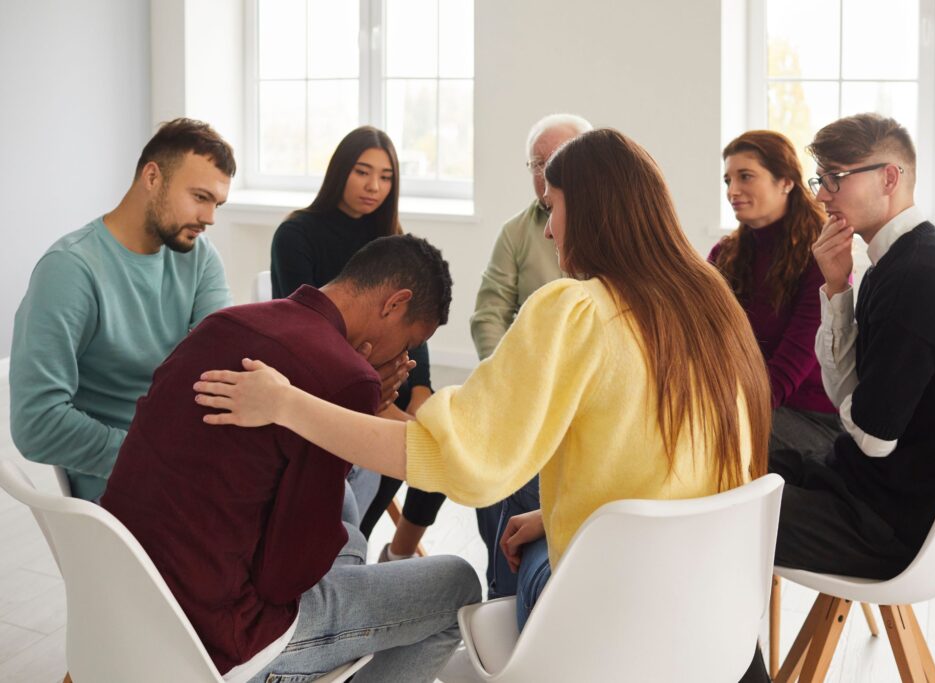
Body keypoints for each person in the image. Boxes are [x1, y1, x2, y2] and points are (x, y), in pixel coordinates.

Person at [196, 129, 774, 680]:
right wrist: (553, 516)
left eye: (553, 208)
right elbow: (677, 464)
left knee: (483, 564)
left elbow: (459, 461)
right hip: (712, 618)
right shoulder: (712, 305)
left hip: (605, 624)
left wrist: (286, 404)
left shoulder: (575, 311)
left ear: (593, 212)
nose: (548, 231)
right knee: (529, 525)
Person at [102, 234, 480, 682]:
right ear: (394, 304)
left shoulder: (224, 323)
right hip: (228, 637)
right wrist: (359, 388)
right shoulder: (346, 377)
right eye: (409, 342)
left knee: (346, 522)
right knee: (458, 585)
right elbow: (284, 580)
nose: (403, 357)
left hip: (126, 606)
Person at [772, 113, 935, 580]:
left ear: (889, 178)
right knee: (717, 459)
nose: (820, 195)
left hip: (882, 524)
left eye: (835, 178)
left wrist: (854, 410)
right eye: (821, 179)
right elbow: (850, 402)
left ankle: (740, 656)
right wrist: (838, 287)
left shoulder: (919, 280)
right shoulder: (897, 263)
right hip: (858, 484)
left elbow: (873, 438)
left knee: (708, 514)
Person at [10, 117, 234, 501]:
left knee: (326, 498)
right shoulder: (70, 269)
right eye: (200, 197)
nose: (209, 218)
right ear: (152, 177)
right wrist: (155, 455)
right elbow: (36, 423)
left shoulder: (199, 258)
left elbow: (219, 368)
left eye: (217, 203)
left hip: (192, 462)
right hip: (129, 486)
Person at [269, 125, 440, 560]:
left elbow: (413, 327)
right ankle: (349, 548)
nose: (374, 186)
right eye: (363, 172)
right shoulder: (296, 235)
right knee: (405, 451)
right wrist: (382, 403)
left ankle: (396, 554)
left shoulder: (394, 240)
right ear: (340, 171)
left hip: (394, 380)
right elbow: (303, 328)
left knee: (439, 449)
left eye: (385, 177)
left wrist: (420, 391)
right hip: (336, 381)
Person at [469, 111, 592, 598]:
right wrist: (509, 381)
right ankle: (503, 579)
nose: (545, 172)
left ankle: (508, 590)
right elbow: (488, 314)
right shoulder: (517, 231)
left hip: (573, 398)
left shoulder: (599, 257)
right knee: (489, 454)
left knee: (517, 465)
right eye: (538, 163)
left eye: (557, 161)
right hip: (525, 385)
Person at [710, 130, 841, 459]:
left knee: (704, 436)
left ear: (786, 181)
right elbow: (700, 338)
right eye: (728, 180)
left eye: (746, 177)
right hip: (744, 402)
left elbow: (787, 371)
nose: (732, 191)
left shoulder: (821, 258)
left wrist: (724, 413)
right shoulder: (724, 254)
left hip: (811, 419)